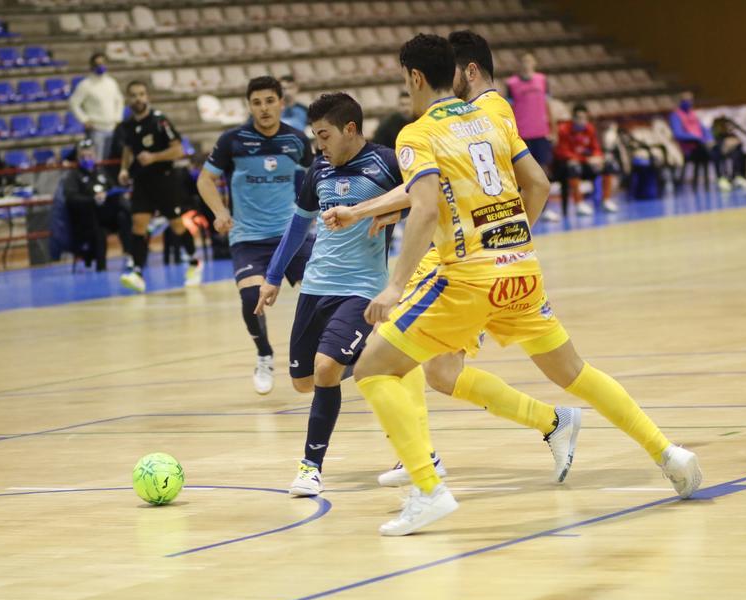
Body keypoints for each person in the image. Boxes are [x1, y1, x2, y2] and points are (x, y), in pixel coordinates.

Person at [351, 33, 703, 536]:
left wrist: (393, 287)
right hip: (520, 270)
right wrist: (511, 245)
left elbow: (425, 208)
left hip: (467, 279)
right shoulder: (493, 115)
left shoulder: (416, 134)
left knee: (372, 368)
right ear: (456, 71)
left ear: (413, 77)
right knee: (575, 372)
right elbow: (537, 182)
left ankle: (428, 488)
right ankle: (670, 455)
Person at [325, 30, 577, 489]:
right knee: (441, 372)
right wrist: (367, 209)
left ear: (466, 72)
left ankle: (421, 458)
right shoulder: (456, 118)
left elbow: (449, 193)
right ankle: (552, 421)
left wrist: (503, 246)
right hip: (454, 250)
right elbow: (427, 187)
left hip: (460, 256)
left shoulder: (487, 111)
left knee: (388, 341)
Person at [254, 92, 402, 496]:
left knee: (324, 369)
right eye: (316, 136)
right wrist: (272, 277)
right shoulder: (317, 169)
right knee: (304, 380)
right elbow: (297, 227)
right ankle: (367, 362)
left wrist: (389, 212)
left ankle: (309, 468)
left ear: (350, 129)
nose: (319, 145)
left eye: (324, 135)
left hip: (361, 288)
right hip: (316, 286)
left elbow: (427, 199)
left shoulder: (387, 162)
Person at [197, 76, 315, 394]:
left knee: (323, 292)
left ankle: (324, 353)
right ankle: (264, 354)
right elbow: (205, 181)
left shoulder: (297, 140)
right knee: (252, 298)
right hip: (248, 238)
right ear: (249, 106)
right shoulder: (232, 141)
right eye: (256, 102)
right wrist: (220, 213)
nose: (263, 108)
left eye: (269, 101)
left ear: (281, 103)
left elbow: (315, 178)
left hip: (292, 234)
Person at [117, 81, 202, 293]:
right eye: (134, 95)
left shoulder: (159, 121)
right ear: (129, 99)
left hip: (165, 180)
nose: (138, 98)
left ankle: (193, 263)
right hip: (142, 182)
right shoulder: (127, 125)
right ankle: (137, 272)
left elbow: (179, 150)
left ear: (148, 97)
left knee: (177, 225)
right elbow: (128, 149)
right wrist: (124, 169)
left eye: (141, 94)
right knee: (138, 223)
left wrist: (154, 157)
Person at [506, 51, 559, 221]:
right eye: (524, 61)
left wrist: (554, 129)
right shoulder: (511, 83)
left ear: (534, 63)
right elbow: (508, 109)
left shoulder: (542, 80)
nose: (527, 64)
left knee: (543, 172)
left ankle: (545, 209)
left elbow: (549, 105)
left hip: (540, 132)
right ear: (519, 64)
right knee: (522, 174)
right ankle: (522, 210)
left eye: (530, 61)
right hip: (521, 134)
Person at [63, 138, 121, 272]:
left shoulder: (101, 172)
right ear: (78, 157)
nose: (87, 159)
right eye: (83, 156)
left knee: (124, 215)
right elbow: (71, 198)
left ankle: (133, 257)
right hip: (85, 220)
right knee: (98, 230)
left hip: (106, 215)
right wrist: (92, 199)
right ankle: (101, 267)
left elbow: (113, 189)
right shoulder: (73, 176)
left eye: (89, 155)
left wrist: (107, 195)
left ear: (95, 156)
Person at [553, 103, 619, 214]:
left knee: (609, 164)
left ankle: (606, 201)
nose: (582, 121)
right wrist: (585, 160)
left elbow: (596, 148)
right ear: (573, 117)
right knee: (574, 167)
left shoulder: (589, 128)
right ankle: (579, 204)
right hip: (566, 166)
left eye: (584, 118)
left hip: (586, 164)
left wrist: (597, 157)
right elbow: (562, 152)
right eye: (579, 118)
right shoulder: (564, 130)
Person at [69, 53, 124, 161]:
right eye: (97, 64)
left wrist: (118, 118)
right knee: (97, 161)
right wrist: (84, 119)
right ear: (91, 66)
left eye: (103, 63)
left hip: (112, 128)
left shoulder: (111, 82)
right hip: (96, 129)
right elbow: (73, 103)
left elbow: (119, 100)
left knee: (110, 159)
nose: (100, 66)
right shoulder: (85, 85)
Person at [669, 91, 729, 190]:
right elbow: (678, 134)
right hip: (690, 149)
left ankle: (725, 177)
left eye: (690, 100)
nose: (689, 102)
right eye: (686, 100)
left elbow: (703, 129)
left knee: (718, 147)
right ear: (680, 101)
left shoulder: (693, 114)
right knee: (714, 152)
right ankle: (721, 178)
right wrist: (696, 138)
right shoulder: (675, 116)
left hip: (702, 145)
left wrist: (709, 138)